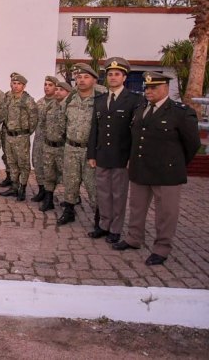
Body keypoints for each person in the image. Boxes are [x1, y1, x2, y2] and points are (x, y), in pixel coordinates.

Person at [113, 71, 200, 266]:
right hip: (140, 169)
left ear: (166, 88)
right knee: (136, 208)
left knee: (166, 213)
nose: (149, 91)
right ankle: (134, 238)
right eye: (147, 87)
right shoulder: (141, 108)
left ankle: (162, 248)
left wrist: (175, 163)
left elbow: (193, 144)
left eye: (154, 87)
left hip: (166, 173)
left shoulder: (180, 112)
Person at [87, 57, 142, 243]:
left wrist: (132, 157)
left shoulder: (134, 100)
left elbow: (136, 132)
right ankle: (104, 225)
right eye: (110, 74)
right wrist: (92, 154)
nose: (112, 77)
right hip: (102, 154)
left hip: (121, 155)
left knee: (118, 194)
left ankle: (116, 229)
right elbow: (94, 128)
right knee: (103, 193)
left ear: (124, 77)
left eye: (117, 74)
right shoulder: (100, 100)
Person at [57, 63, 98, 226]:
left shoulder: (101, 99)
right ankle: (69, 211)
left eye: (86, 77)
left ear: (94, 80)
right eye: (79, 77)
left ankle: (99, 218)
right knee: (70, 181)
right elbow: (62, 121)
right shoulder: (70, 99)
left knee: (93, 184)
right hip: (71, 147)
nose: (81, 80)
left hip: (91, 150)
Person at [0, 72, 38, 201]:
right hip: (9, 135)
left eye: (19, 84)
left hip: (21, 137)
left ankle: (22, 188)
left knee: (23, 163)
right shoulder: (8, 97)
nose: (16, 86)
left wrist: (25, 132)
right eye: (14, 83)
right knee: (11, 162)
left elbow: (33, 119)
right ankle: (14, 186)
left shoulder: (28, 100)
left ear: (24, 86)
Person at [39, 81, 72, 212]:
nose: (58, 92)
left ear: (68, 92)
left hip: (63, 147)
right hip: (49, 146)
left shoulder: (70, 107)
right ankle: (48, 200)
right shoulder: (50, 105)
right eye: (56, 89)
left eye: (61, 90)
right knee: (48, 174)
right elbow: (42, 123)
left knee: (67, 176)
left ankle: (71, 202)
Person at [31, 76, 58, 202]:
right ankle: (41, 190)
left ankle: (49, 194)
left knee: (51, 168)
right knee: (37, 164)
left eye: (50, 85)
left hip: (52, 142)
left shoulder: (59, 103)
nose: (46, 87)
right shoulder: (40, 102)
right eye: (45, 84)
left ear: (56, 87)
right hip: (39, 139)